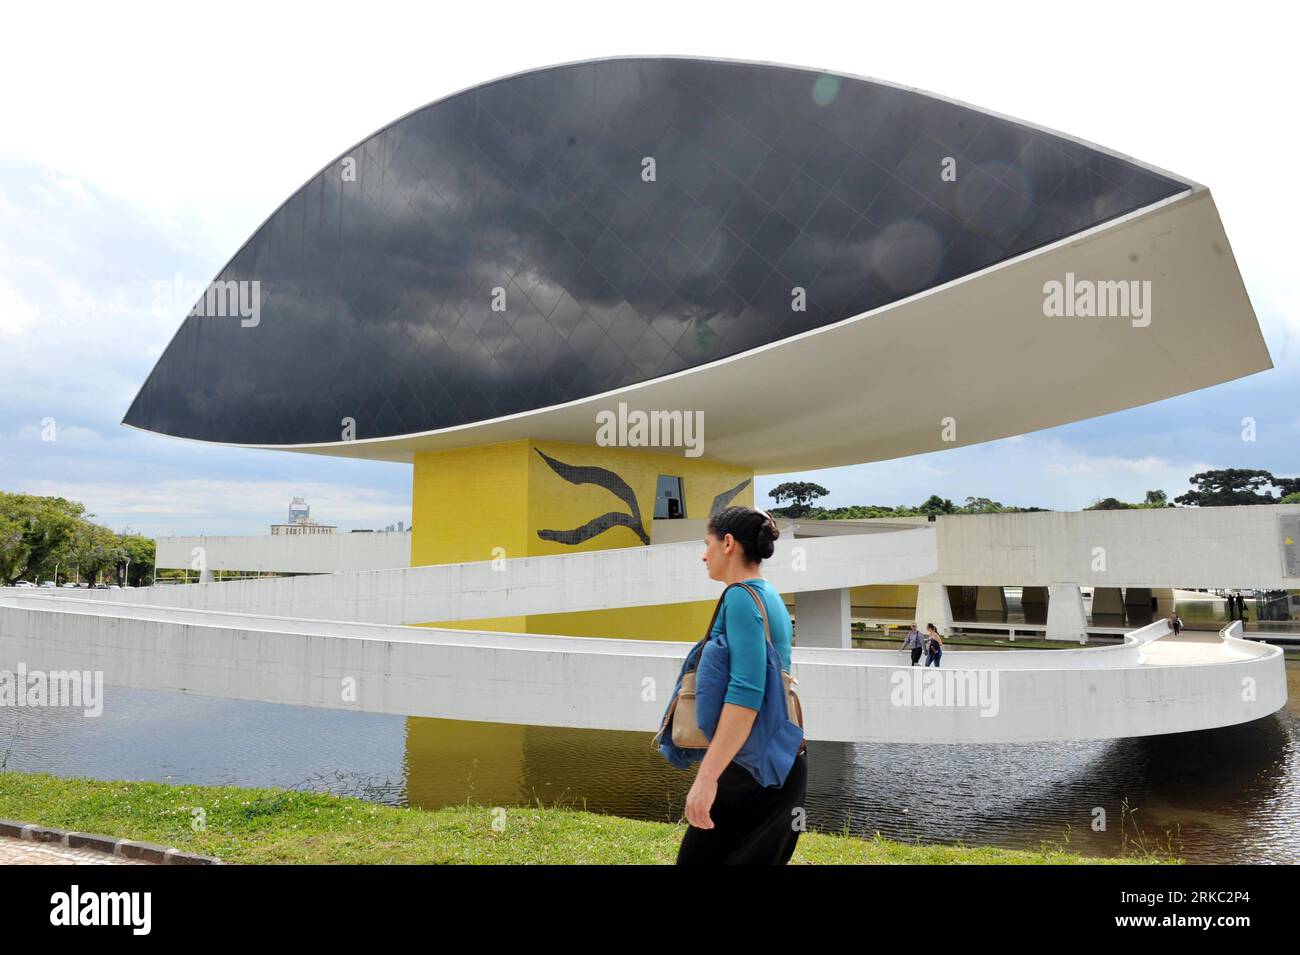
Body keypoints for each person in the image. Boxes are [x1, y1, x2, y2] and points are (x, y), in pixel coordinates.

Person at [676, 505, 807, 865]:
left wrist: (706, 779)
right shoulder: (769, 595)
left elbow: (746, 697)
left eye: (708, 544)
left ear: (728, 543)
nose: (704, 555)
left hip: (752, 771)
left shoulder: (738, 598)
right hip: (781, 762)